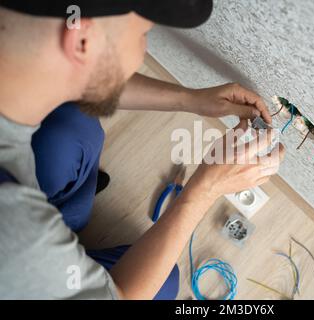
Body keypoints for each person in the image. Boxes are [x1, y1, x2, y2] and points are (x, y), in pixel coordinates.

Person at [0, 0, 285, 299]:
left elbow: (76, 77)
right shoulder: (17, 240)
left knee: (72, 125)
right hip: (26, 263)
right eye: (143, 34)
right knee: (162, 286)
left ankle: (64, 238)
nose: (144, 47)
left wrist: (189, 99)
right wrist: (207, 187)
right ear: (82, 41)